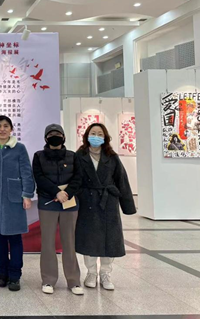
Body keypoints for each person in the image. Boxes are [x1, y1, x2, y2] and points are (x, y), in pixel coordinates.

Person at [75, 123, 136, 291]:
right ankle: (91, 272)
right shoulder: (79, 155)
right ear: (87, 136)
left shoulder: (112, 156)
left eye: (99, 134)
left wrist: (127, 205)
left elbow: (121, 179)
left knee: (109, 239)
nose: (96, 136)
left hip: (108, 202)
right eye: (93, 133)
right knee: (89, 239)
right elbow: (75, 179)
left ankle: (105, 273)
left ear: (105, 137)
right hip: (87, 202)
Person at [0, 115, 35, 292]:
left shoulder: (19, 148)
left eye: (6, 126)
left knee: (15, 238)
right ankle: (2, 273)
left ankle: (15, 275)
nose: (2, 129)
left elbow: (26, 172)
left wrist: (27, 194)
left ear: (11, 129)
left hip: (14, 199)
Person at [33, 124, 83, 295]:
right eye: (51, 135)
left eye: (58, 134)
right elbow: (39, 178)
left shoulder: (73, 156)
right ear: (46, 138)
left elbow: (78, 177)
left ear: (64, 137)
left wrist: (67, 193)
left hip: (69, 203)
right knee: (47, 242)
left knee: (69, 242)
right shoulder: (38, 156)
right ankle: (48, 280)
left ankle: (74, 281)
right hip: (48, 202)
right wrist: (56, 192)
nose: (55, 137)